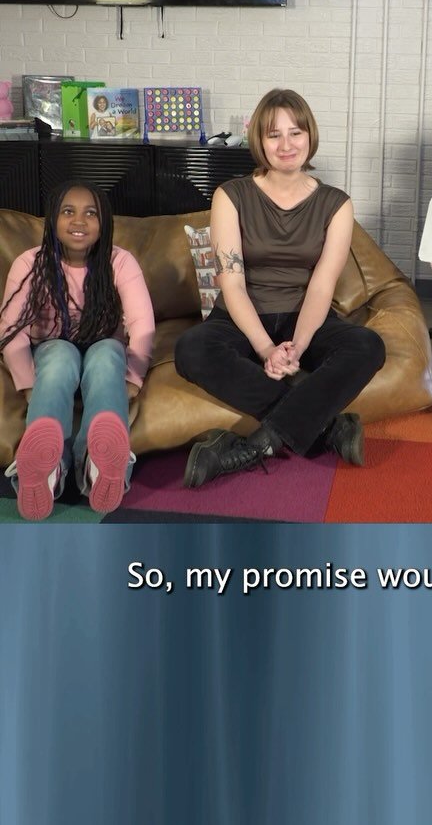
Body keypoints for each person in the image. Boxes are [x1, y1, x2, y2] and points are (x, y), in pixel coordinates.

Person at [175, 88, 386, 486]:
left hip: (305, 314)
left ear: (310, 136)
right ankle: (329, 428)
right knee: (191, 349)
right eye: (274, 135)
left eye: (295, 133)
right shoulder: (231, 195)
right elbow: (232, 283)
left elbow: (322, 286)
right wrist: (266, 349)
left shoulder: (336, 204)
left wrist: (299, 346)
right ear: (260, 140)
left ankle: (259, 445)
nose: (286, 145)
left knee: (368, 346)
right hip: (240, 317)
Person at [0, 182, 155, 519]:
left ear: (105, 223)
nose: (79, 221)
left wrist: (133, 377)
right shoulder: (30, 263)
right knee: (59, 356)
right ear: (52, 220)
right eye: (68, 211)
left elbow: (142, 324)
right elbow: (11, 330)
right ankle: (47, 471)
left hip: (103, 346)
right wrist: (27, 384)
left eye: (91, 213)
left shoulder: (120, 261)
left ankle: (100, 467)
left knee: (108, 355)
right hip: (52, 349)